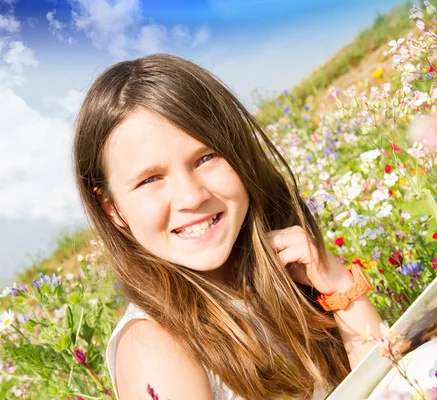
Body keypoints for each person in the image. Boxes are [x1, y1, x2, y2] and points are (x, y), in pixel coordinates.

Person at [72, 53, 384, 400]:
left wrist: (338, 288)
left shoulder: (281, 278)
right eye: (150, 179)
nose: (191, 196)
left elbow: (394, 387)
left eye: (205, 158)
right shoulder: (156, 346)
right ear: (112, 208)